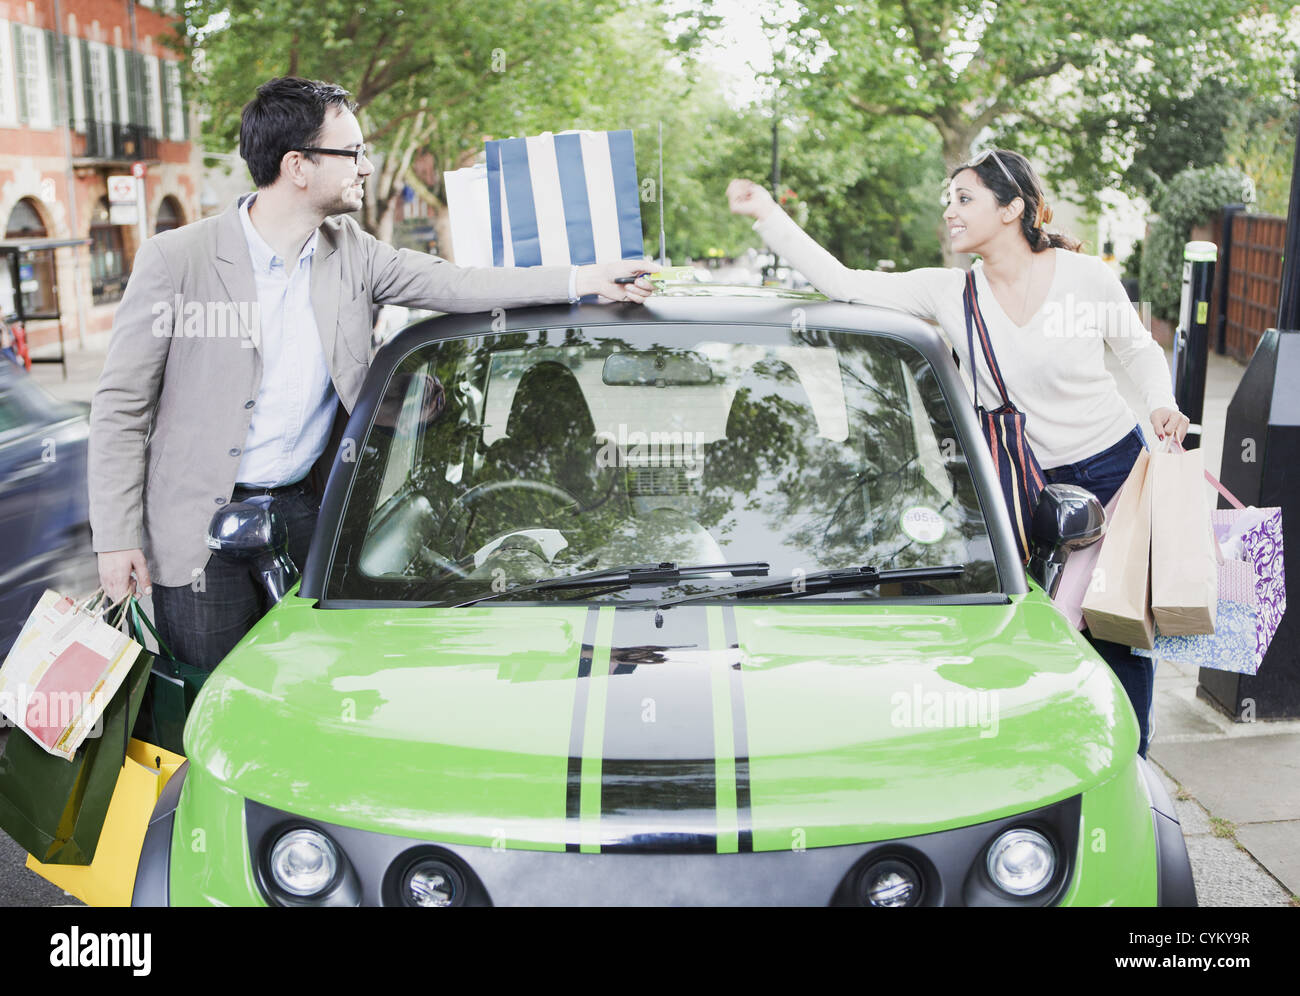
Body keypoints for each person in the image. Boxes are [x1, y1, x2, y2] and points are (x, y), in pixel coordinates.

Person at [90, 76, 654, 669]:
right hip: (195, 532)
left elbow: (458, 284)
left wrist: (583, 280)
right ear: (297, 165)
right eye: (353, 151)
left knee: (317, 687)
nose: (366, 165)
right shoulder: (177, 259)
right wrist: (117, 537)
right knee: (210, 702)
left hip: (309, 519)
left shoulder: (351, 250)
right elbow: (121, 408)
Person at [727, 150, 1189, 758]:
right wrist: (766, 214)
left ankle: (1130, 762)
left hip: (1112, 469)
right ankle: (1043, 754)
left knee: (1115, 626)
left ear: (1012, 207)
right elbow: (845, 284)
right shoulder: (951, 292)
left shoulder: (1085, 278)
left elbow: (1137, 350)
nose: (951, 210)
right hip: (1023, 485)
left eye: (965, 198)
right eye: (949, 199)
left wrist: (1160, 403)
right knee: (1032, 630)